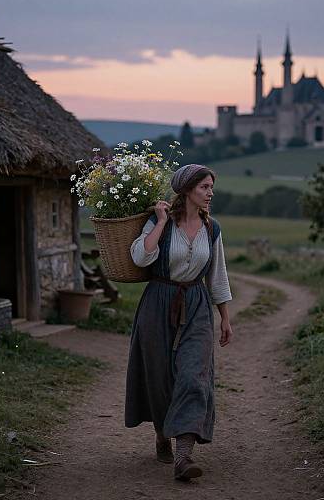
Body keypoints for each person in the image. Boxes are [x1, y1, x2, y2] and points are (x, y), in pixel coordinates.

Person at [125, 163, 233, 481]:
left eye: (212, 187)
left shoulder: (212, 229)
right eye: (204, 187)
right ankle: (162, 433)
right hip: (158, 302)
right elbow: (140, 257)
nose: (210, 193)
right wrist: (159, 222)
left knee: (193, 376)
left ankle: (183, 456)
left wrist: (225, 318)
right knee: (159, 379)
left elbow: (218, 276)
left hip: (197, 306)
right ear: (186, 190)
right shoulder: (160, 223)